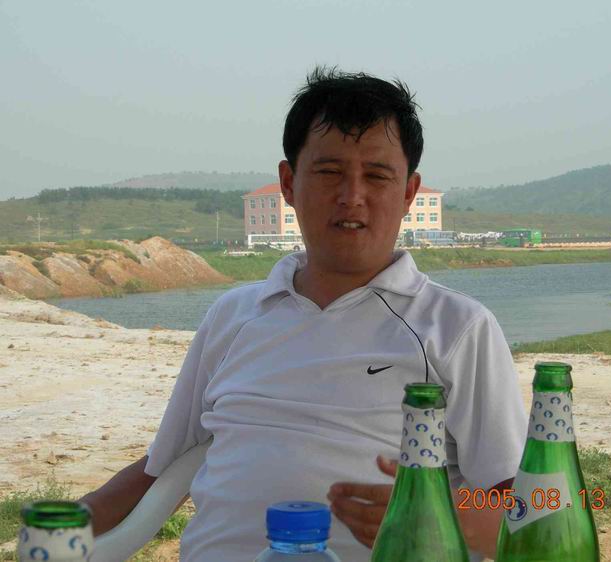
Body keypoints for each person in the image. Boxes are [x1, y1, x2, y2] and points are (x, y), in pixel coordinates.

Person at [79, 66, 528, 561]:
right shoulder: (233, 317)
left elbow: (536, 512)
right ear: (289, 183)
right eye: (329, 172)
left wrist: (433, 517)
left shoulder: (456, 328)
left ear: (408, 193)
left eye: (377, 175)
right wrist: (57, 528)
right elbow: (158, 470)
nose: (351, 196)